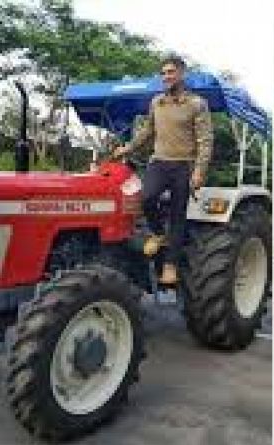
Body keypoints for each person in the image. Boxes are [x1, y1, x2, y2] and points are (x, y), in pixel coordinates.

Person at [114, 54, 213, 285]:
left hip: (183, 165)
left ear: (181, 74)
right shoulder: (157, 102)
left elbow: (205, 140)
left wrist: (199, 171)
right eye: (163, 73)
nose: (166, 77)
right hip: (159, 161)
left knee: (178, 216)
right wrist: (127, 149)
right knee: (146, 198)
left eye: (171, 72)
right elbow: (147, 132)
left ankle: (170, 266)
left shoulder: (197, 104)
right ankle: (158, 233)